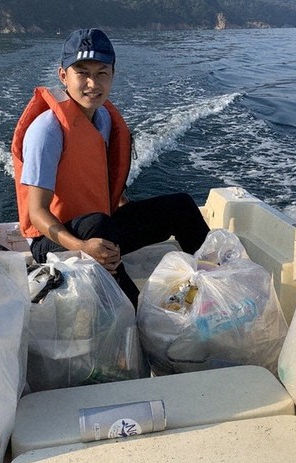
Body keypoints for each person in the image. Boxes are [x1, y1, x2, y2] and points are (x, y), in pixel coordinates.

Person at [11, 28, 209, 307]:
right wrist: (82, 247)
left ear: (113, 75)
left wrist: (133, 216)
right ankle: (134, 311)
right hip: (53, 241)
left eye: (102, 73)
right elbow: (37, 213)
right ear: (63, 76)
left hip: (98, 228)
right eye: (82, 73)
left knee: (181, 206)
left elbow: (99, 178)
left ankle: (216, 282)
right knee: (99, 224)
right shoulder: (47, 131)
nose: (92, 83)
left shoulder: (102, 118)